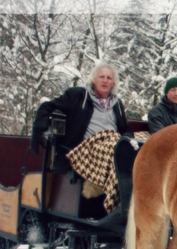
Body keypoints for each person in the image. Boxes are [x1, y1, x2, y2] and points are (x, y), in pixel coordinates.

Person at [30, 62, 134, 213]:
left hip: (111, 143)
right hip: (83, 149)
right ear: (94, 80)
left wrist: (127, 141)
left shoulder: (117, 104)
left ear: (113, 83)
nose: (105, 80)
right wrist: (39, 128)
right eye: (101, 77)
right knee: (115, 152)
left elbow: (125, 129)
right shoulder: (77, 96)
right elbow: (47, 107)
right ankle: (114, 204)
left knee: (129, 151)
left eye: (109, 78)